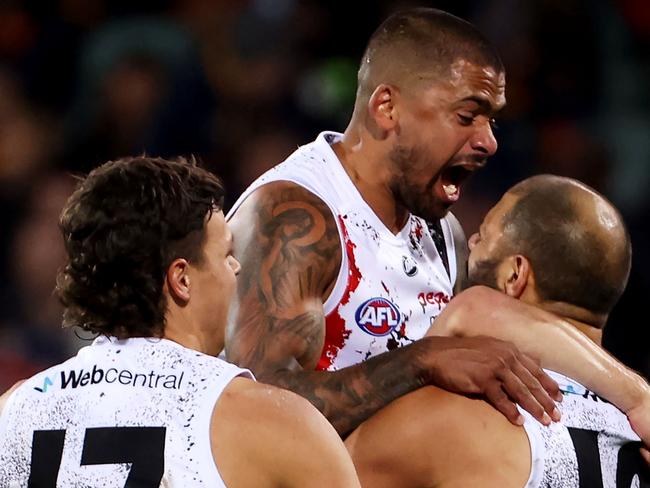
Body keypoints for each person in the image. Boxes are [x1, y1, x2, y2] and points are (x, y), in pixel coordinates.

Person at [225, 6, 650, 437]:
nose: (488, 142)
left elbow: (489, 323)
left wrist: (635, 403)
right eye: (467, 116)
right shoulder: (295, 217)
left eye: (493, 120)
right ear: (387, 107)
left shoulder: (442, 232)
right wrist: (421, 362)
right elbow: (255, 410)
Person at [0, 156, 361, 487]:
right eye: (227, 254)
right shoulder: (270, 421)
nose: (237, 269)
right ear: (181, 279)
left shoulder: (13, 411)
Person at [345, 175, 650, 487]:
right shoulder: (637, 435)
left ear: (514, 274)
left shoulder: (454, 418)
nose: (472, 242)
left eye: (485, 235)